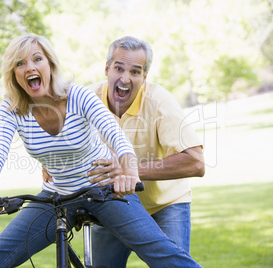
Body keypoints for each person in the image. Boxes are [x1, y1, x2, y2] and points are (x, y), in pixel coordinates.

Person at [0, 33, 202, 268]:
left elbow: (116, 136)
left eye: (37, 59)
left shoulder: (78, 95)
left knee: (164, 255)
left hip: (104, 191)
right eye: (20, 63)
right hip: (56, 195)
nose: (29, 67)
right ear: (13, 72)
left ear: (50, 64)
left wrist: (130, 172)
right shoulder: (11, 109)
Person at [87, 36, 205, 266]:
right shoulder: (86, 100)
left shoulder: (159, 102)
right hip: (114, 203)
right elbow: (59, 134)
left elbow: (195, 162)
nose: (125, 78)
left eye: (135, 71)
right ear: (107, 69)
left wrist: (130, 171)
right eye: (118, 68)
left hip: (165, 204)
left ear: (144, 77)